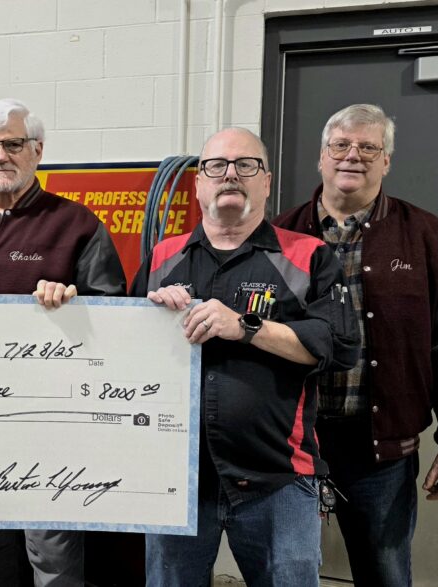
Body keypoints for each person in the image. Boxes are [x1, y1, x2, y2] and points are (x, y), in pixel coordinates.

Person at [133, 128, 359, 586]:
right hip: (178, 482)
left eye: (246, 165)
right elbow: (123, 350)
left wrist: (245, 327)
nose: (230, 175)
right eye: (216, 166)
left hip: (276, 479)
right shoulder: (163, 257)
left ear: (267, 181)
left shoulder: (308, 256)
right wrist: (152, 316)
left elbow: (337, 346)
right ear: (199, 184)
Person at [274, 104, 438, 586]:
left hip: (381, 455)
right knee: (285, 575)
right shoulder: (278, 237)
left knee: (385, 575)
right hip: (290, 448)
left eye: (369, 147)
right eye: (341, 145)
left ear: (386, 161)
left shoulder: (426, 237)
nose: (354, 156)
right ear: (321, 157)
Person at [0, 98, 126, 586]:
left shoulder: (78, 225)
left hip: (49, 422)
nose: (0, 156)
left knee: (51, 551)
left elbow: (116, 318)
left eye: (12, 144)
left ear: (37, 150)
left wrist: (75, 304)